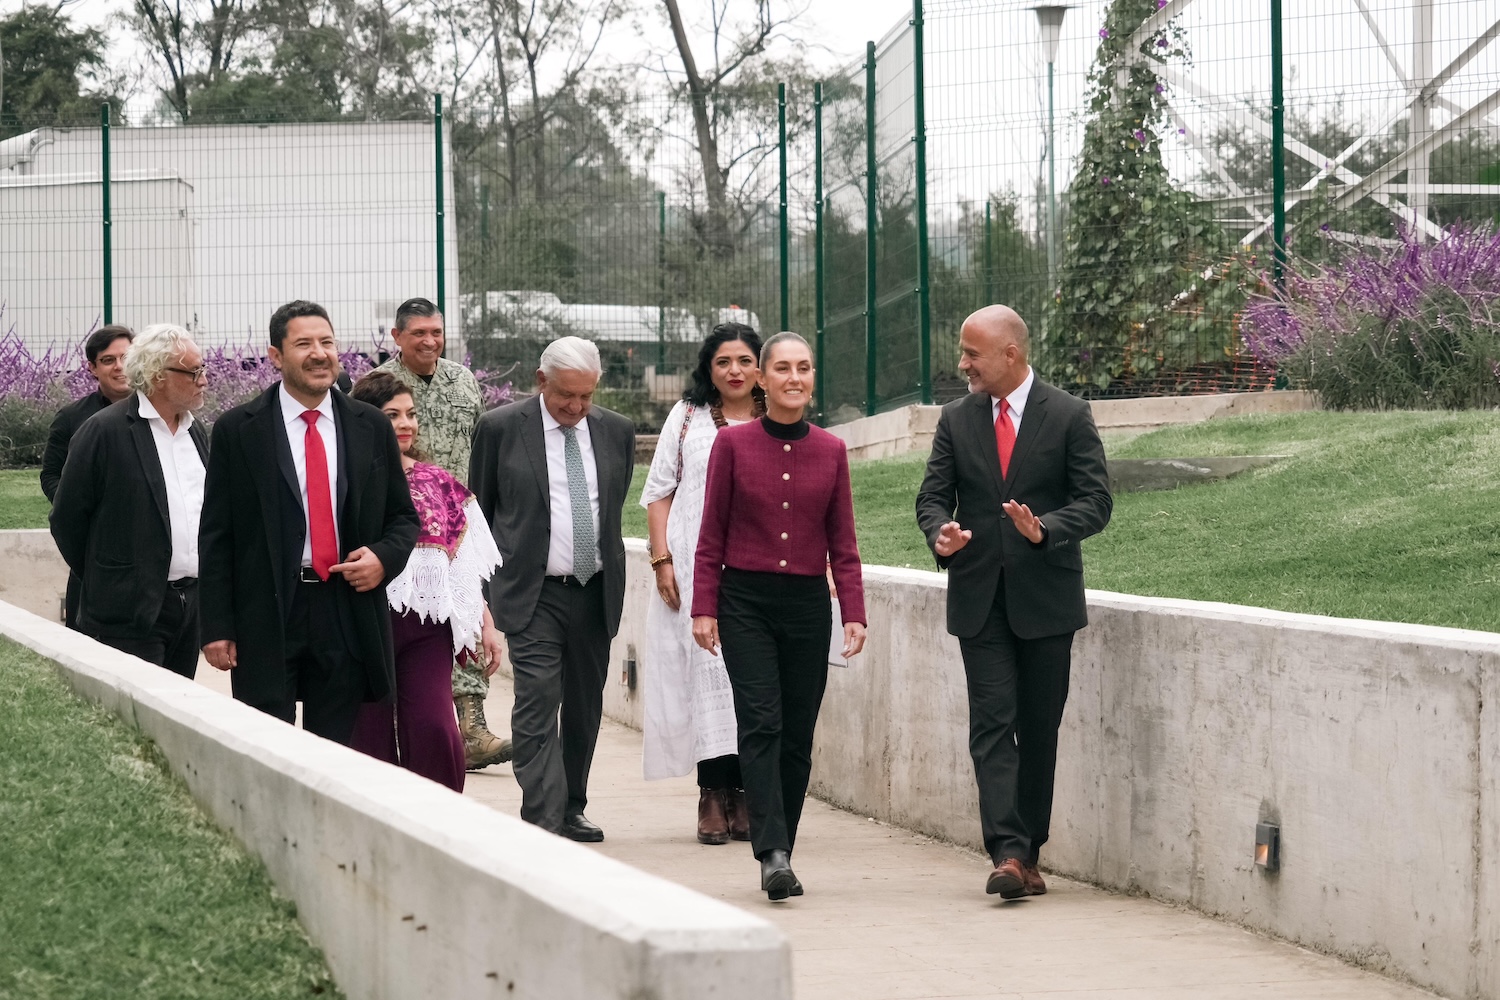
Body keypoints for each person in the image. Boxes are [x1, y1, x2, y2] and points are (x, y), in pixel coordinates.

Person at [914, 304, 1112, 899]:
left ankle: (1029, 852)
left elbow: (1096, 501)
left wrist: (1045, 529)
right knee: (992, 725)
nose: (963, 363)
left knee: (1039, 729)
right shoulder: (956, 419)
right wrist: (940, 534)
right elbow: (931, 498)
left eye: (972, 353)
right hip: (979, 600)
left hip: (1046, 600)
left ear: (1011, 354)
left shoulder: (1069, 415)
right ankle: (1007, 852)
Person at [691, 331, 867, 901]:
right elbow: (711, 533)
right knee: (761, 722)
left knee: (797, 733)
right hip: (745, 602)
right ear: (762, 380)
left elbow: (844, 542)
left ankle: (781, 843)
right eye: (783, 368)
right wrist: (704, 607)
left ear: (812, 379)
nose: (795, 377)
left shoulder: (831, 450)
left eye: (804, 368)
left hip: (808, 606)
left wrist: (854, 611)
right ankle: (772, 853)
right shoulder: (732, 445)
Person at [198, 300, 419, 745]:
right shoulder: (238, 430)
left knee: (331, 752)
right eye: (304, 344)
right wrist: (217, 626)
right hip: (268, 611)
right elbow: (218, 534)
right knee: (265, 745)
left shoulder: (370, 426)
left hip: (345, 609)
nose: (319, 353)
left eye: (327, 342)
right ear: (276, 356)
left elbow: (402, 517)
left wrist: (382, 558)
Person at [469, 336, 635, 841]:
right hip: (531, 591)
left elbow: (612, 507)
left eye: (587, 396)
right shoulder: (500, 428)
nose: (577, 407)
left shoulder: (617, 431)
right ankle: (542, 819)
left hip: (595, 590)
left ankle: (571, 806)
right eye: (566, 395)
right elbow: (480, 513)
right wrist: (480, 598)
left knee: (584, 706)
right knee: (538, 697)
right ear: (541, 381)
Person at [347, 371, 504, 792]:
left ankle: (439, 820)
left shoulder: (439, 482)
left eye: (411, 414)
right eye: (392, 415)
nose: (406, 424)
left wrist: (485, 622)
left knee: (435, 728)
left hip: (427, 632)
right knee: (367, 738)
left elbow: (462, 568)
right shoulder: (341, 480)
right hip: (362, 628)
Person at [640, 323, 764, 845]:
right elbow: (658, 493)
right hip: (693, 571)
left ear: (760, 366)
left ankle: (746, 793)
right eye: (723, 362)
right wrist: (662, 561)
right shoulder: (687, 416)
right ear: (708, 369)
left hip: (756, 569)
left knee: (749, 682)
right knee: (705, 675)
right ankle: (712, 794)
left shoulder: (775, 415)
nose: (734, 371)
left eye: (744, 360)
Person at [373, 297, 508, 771]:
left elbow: (477, 446)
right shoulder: (379, 385)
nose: (430, 341)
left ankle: (472, 727)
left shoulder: (463, 381)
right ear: (397, 337)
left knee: (463, 625)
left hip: (450, 510)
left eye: (437, 332)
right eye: (419, 333)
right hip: (400, 530)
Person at [49, 324, 209, 677]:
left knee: (177, 705)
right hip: (128, 613)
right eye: (194, 371)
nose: (204, 380)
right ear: (157, 375)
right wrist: (110, 581)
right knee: (136, 706)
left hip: (189, 608)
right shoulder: (103, 431)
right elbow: (67, 519)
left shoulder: (194, 431)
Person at [42, 325, 135, 630]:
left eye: (126, 357)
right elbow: (51, 475)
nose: (119, 366)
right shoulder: (72, 418)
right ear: (92, 368)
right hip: (94, 556)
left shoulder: (163, 416)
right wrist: (80, 510)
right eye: (108, 360)